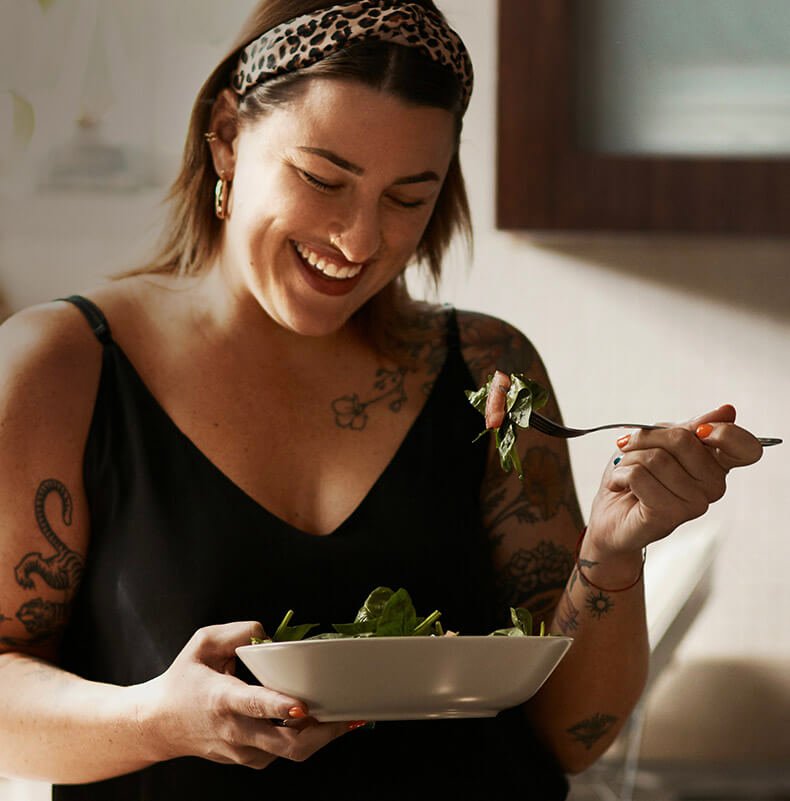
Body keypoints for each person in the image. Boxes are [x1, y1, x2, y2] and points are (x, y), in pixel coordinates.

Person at [0, 1, 764, 799]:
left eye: (408, 198)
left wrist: (611, 555)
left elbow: (573, 737)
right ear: (226, 134)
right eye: (323, 178)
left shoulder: (487, 370)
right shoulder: (61, 369)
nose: (360, 241)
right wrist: (160, 719)